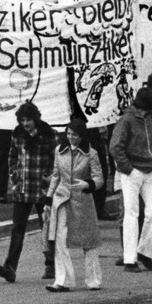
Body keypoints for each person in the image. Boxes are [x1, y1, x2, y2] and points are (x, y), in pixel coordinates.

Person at [0, 102, 58, 284]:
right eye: (22, 120)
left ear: (35, 118)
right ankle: (10, 267)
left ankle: (51, 264)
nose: (25, 123)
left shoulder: (47, 133)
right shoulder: (17, 133)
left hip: (42, 188)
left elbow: (55, 158)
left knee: (46, 228)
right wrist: (14, 174)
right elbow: (12, 155)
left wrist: (49, 176)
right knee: (17, 229)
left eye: (28, 119)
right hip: (23, 188)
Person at [46, 117, 103, 292]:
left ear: (82, 136)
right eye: (68, 133)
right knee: (60, 239)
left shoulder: (91, 153)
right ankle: (63, 281)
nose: (70, 137)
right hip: (62, 199)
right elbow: (55, 175)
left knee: (89, 241)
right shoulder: (59, 150)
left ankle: (93, 280)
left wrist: (87, 185)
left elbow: (99, 178)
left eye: (75, 135)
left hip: (83, 201)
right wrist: (48, 200)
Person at [110, 87, 152, 272]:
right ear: (148, 104)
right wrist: (128, 169)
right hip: (132, 172)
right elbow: (115, 147)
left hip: (148, 171)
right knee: (132, 214)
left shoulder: (148, 119)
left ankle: (144, 252)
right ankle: (130, 259)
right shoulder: (127, 120)